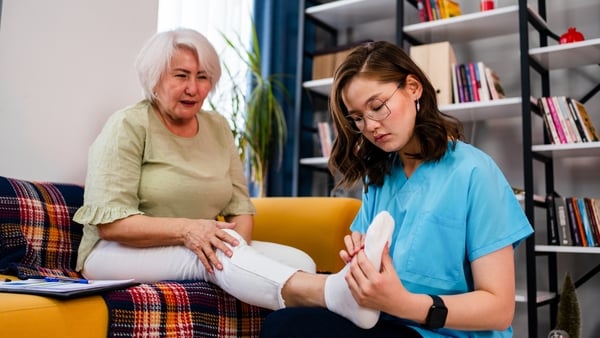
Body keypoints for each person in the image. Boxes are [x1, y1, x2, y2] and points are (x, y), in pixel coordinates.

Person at [73, 28, 396, 327]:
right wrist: (190, 230)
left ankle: (323, 304)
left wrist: (236, 244)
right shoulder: (128, 125)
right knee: (210, 255)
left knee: (298, 260)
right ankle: (336, 294)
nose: (193, 88)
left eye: (203, 77)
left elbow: (240, 205)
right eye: (181, 75)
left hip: (196, 241)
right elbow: (112, 224)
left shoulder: (216, 126)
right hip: (113, 253)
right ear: (154, 79)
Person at [259, 41, 534, 338]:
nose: (371, 126)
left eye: (377, 107)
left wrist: (405, 304)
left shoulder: (475, 172)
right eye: (358, 118)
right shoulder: (379, 176)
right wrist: (361, 264)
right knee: (281, 324)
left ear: (413, 88)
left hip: (440, 333)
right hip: (383, 322)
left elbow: (499, 308)